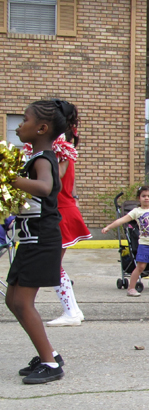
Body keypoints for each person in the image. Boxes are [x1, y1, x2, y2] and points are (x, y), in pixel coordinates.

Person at [7, 99, 76, 384]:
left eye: (24, 120)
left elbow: (45, 188)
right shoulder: (34, 157)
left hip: (41, 239)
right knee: (13, 299)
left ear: (42, 128)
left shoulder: (43, 158)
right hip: (30, 238)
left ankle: (50, 364)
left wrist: (11, 180)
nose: (19, 126)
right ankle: (49, 354)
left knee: (22, 302)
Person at [23, 126, 93, 328]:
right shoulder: (64, 154)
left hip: (61, 213)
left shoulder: (59, 156)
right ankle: (73, 310)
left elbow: (57, 183)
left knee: (52, 264)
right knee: (54, 264)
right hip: (63, 210)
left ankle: (71, 311)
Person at [101, 185, 149, 297]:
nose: (146, 198)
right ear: (139, 198)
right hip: (144, 245)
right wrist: (108, 227)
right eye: (143, 196)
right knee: (140, 267)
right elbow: (122, 220)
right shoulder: (136, 212)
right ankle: (131, 288)